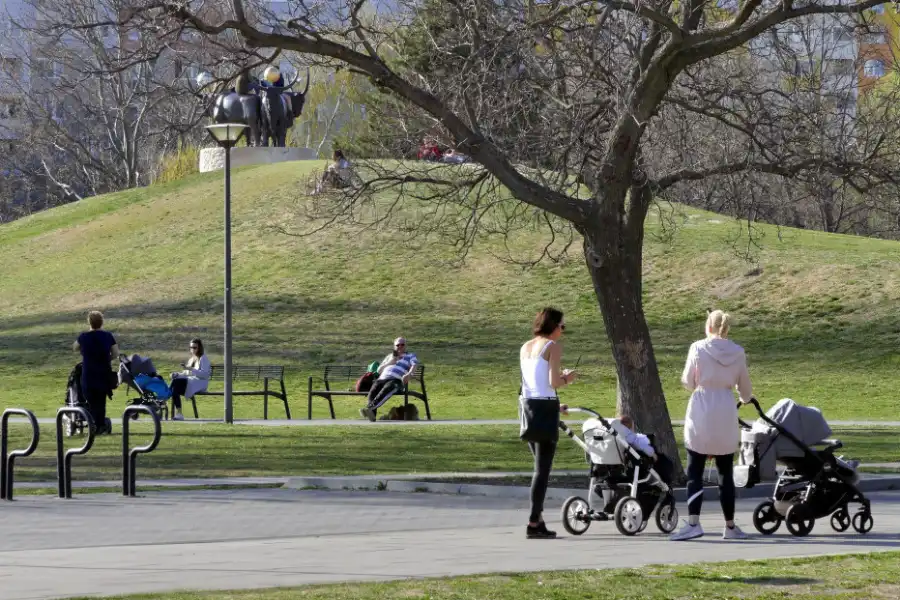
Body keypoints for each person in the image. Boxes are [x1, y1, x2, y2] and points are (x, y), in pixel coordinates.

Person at [670, 309, 753, 541]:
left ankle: (694, 522)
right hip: (725, 409)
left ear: (708, 326)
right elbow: (745, 390)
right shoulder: (738, 352)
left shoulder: (698, 347)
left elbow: (688, 381)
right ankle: (730, 525)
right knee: (725, 471)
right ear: (726, 329)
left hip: (702, 407)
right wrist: (742, 396)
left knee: (695, 469)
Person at [519, 307, 577, 539]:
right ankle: (534, 521)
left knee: (539, 468)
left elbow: (532, 382)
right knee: (542, 471)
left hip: (530, 407)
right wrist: (567, 378)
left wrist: (557, 405)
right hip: (544, 409)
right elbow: (553, 382)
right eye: (562, 326)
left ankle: (538, 519)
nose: (562, 331)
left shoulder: (525, 346)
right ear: (553, 326)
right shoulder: (552, 347)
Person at [72, 311, 119, 434]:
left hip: (89, 374)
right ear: (102, 322)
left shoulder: (84, 337)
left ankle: (94, 424)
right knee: (101, 402)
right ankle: (100, 425)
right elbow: (115, 353)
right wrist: (105, 358)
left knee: (91, 400)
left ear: (89, 322)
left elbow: (75, 347)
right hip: (103, 373)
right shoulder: (108, 336)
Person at [359, 337, 418, 422]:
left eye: (402, 344)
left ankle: (369, 409)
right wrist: (390, 362)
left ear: (406, 346)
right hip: (382, 379)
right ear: (394, 346)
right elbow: (379, 370)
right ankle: (372, 415)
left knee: (387, 389)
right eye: (398, 345)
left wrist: (409, 374)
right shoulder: (389, 356)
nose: (400, 346)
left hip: (396, 381)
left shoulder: (410, 356)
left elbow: (414, 365)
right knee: (372, 392)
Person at [617, 414, 674, 487]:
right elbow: (641, 446)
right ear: (631, 426)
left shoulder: (619, 435)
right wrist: (653, 454)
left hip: (628, 460)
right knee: (664, 462)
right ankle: (666, 483)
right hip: (639, 461)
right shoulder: (629, 436)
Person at [169, 338, 211, 420]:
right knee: (174, 387)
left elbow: (204, 375)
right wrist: (177, 374)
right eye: (191, 347)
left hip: (200, 383)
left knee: (175, 384)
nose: (193, 350)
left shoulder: (203, 358)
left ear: (200, 348)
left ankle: (164, 398)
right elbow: (186, 373)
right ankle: (179, 413)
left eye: (195, 348)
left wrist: (191, 369)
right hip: (191, 381)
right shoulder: (192, 359)